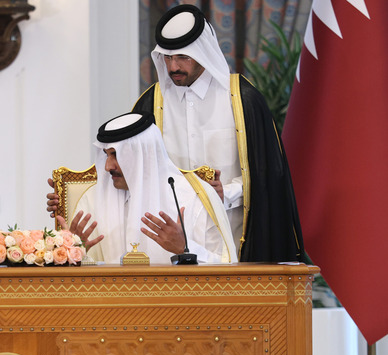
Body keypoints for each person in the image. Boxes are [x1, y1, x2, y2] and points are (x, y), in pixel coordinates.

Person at [47, 4, 303, 264]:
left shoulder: (242, 99)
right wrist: (69, 197)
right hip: (165, 238)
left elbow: (269, 174)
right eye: (167, 58)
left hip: (234, 232)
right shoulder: (151, 102)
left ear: (202, 52)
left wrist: (226, 194)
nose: (173, 67)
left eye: (182, 57)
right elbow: (125, 164)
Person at [60, 111, 236, 265]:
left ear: (143, 153)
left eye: (116, 155)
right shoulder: (92, 200)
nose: (108, 167)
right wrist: (74, 252)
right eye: (106, 155)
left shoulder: (195, 196)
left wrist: (185, 249)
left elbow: (227, 267)